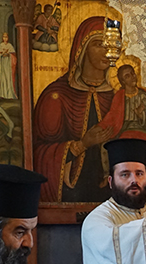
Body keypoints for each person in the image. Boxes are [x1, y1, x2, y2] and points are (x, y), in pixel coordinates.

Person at [33, 16, 115, 202]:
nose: (107, 51)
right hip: (71, 194)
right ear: (82, 49)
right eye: (99, 44)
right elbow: (40, 154)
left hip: (112, 198)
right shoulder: (56, 95)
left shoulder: (116, 96)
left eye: (110, 45)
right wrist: (82, 145)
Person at [0, 32, 17, 100]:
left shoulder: (9, 45)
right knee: (3, 79)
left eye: (6, 37)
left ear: (8, 38)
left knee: (8, 78)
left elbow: (13, 55)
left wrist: (9, 54)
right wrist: (1, 54)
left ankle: (9, 94)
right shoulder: (1, 45)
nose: (5, 38)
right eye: (4, 37)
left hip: (8, 64)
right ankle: (3, 94)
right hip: (2, 64)